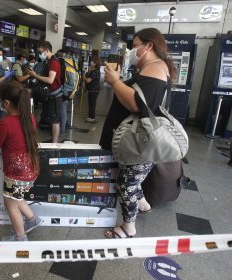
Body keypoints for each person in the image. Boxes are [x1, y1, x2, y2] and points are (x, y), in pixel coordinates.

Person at [99, 28, 175, 239]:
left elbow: (137, 105)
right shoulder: (154, 67)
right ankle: (142, 204)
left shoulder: (155, 69)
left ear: (148, 46)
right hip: (139, 139)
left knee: (127, 183)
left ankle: (128, 227)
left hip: (140, 140)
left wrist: (115, 82)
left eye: (135, 45)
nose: (132, 50)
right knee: (134, 177)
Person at [0, 80, 42, 241]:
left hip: (16, 174)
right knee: (16, 197)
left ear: (6, 102)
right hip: (31, 170)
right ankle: (33, 219)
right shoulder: (30, 118)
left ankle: (20, 237)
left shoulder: (5, 122)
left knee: (10, 203)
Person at [27, 41, 62, 143]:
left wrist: (35, 75)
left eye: (41, 52)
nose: (40, 54)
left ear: (47, 50)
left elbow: (50, 80)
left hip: (55, 95)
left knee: (55, 120)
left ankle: (54, 144)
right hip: (49, 95)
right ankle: (53, 140)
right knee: (52, 119)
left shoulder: (54, 62)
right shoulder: (48, 61)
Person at [84, 56, 101, 123]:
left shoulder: (95, 71)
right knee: (91, 103)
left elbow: (88, 80)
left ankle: (91, 117)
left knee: (92, 103)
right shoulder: (93, 70)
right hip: (92, 89)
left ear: (95, 63)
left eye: (93, 62)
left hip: (94, 90)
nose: (91, 62)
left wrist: (83, 77)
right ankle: (90, 116)